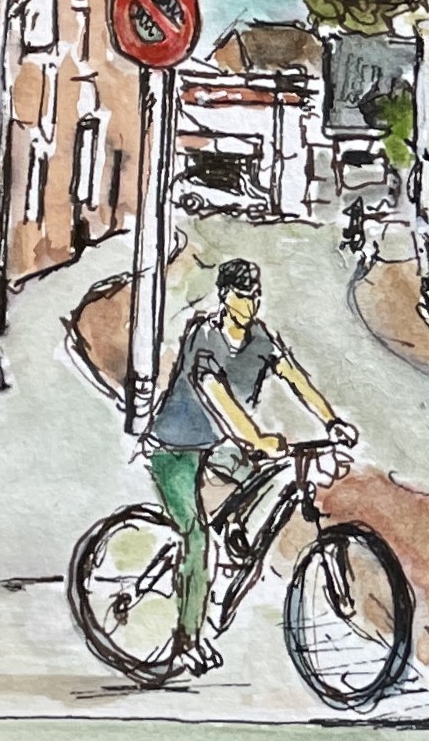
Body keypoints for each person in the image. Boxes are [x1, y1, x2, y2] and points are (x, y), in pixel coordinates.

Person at [145, 258, 352, 674]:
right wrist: (256, 438)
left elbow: (295, 377)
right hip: (175, 448)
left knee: (270, 476)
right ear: (225, 296)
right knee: (196, 538)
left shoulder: (259, 338)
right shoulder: (204, 335)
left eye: (255, 296)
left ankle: (235, 528)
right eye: (242, 296)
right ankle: (187, 640)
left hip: (221, 446)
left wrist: (332, 421)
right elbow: (214, 393)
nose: (250, 304)